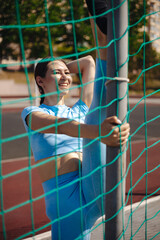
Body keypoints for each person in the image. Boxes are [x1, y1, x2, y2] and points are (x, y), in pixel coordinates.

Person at [21, 1, 130, 239]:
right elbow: (63, 126)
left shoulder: (79, 109)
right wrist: (98, 132)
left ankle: (102, 23)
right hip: (66, 198)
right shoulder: (31, 113)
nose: (65, 76)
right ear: (40, 81)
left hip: (92, 181)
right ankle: (104, 30)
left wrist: (57, 69)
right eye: (56, 73)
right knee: (95, 116)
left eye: (67, 72)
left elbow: (88, 63)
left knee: (99, 105)